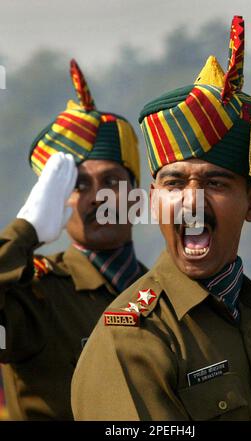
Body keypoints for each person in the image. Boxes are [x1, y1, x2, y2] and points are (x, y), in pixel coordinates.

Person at [71, 16, 251, 421]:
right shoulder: (133, 338)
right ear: (154, 201)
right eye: (174, 184)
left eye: (215, 183)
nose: (192, 203)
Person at [0, 59, 146, 420]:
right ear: (57, 202)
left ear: (138, 197)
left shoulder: (167, 292)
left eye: (113, 181)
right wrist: (25, 231)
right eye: (79, 185)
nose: (98, 196)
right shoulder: (34, 293)